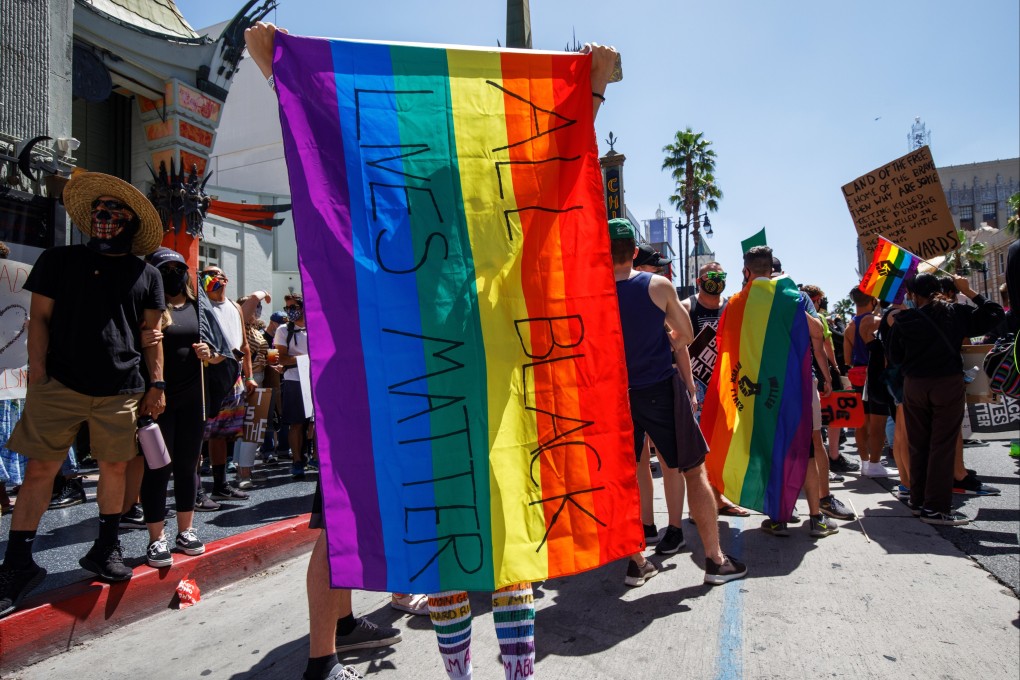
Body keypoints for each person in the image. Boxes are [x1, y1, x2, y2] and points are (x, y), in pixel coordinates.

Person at [0, 172, 165, 618]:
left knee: (114, 466)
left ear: (130, 221)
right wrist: (37, 370)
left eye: (113, 211)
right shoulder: (58, 260)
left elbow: (152, 334)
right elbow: (39, 319)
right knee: (40, 471)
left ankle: (104, 548)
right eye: (98, 209)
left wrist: (157, 383)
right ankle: (17, 563)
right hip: (60, 384)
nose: (102, 217)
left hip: (122, 388)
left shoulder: (146, 273)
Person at [611, 218, 747, 587]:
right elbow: (685, 335)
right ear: (635, 253)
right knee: (692, 470)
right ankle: (715, 560)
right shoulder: (657, 284)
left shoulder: (595, 293)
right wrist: (666, 335)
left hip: (616, 395)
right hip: (658, 388)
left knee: (623, 478)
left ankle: (636, 561)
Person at [888, 273, 1003, 525]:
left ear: (911, 295)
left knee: (918, 443)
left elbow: (894, 357)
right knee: (942, 445)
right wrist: (970, 291)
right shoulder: (956, 312)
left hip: (915, 385)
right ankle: (936, 507)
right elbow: (995, 314)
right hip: (946, 383)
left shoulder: (903, 320)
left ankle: (918, 501)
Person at [135, 248, 213, 567]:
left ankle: (186, 531)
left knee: (186, 466)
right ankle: (156, 538)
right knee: (157, 468)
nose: (173, 273)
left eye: (178, 267)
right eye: (165, 268)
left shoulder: (198, 307)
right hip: (157, 401)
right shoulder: (148, 307)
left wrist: (209, 352)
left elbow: (221, 351)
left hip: (193, 399)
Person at [199, 265, 255, 501]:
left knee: (222, 433)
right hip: (209, 376)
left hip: (234, 377)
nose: (211, 277)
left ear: (226, 279)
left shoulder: (233, 306)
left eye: (215, 273)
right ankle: (195, 490)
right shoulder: (201, 306)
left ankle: (220, 485)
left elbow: (244, 345)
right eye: (205, 275)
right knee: (200, 434)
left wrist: (249, 375)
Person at [843, 287, 892, 477]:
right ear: (872, 300)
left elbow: (847, 359)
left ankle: (864, 463)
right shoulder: (877, 321)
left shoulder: (849, 327)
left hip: (857, 377)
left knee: (860, 422)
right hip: (876, 375)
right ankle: (875, 464)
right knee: (878, 422)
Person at [274, 293, 313, 479]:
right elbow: (281, 358)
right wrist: (305, 360)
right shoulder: (283, 330)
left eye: (293, 307)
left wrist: (295, 360)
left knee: (317, 422)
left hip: (315, 380)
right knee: (297, 423)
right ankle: (297, 461)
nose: (290, 311)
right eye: (287, 307)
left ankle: (315, 457)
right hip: (294, 380)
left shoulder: (315, 326)